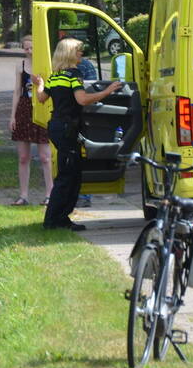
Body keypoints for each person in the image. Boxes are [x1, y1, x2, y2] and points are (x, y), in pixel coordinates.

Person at [33, 38, 122, 231]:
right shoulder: (74, 74)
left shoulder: (55, 76)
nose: (81, 53)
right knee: (68, 175)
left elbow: (41, 98)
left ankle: (62, 218)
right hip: (67, 128)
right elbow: (81, 100)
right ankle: (52, 221)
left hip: (56, 127)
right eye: (79, 50)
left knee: (72, 173)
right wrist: (107, 91)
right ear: (70, 53)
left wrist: (39, 83)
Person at [9, 35, 53, 206]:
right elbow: (16, 91)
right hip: (24, 109)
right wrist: (12, 115)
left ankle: (50, 193)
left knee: (45, 156)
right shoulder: (20, 65)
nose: (28, 51)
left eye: (31, 47)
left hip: (41, 109)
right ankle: (23, 195)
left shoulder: (45, 63)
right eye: (25, 48)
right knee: (23, 156)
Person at [74, 52, 99, 209]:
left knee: (81, 156)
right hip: (79, 115)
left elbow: (90, 89)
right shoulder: (82, 67)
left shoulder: (84, 66)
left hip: (80, 115)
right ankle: (79, 195)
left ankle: (83, 195)